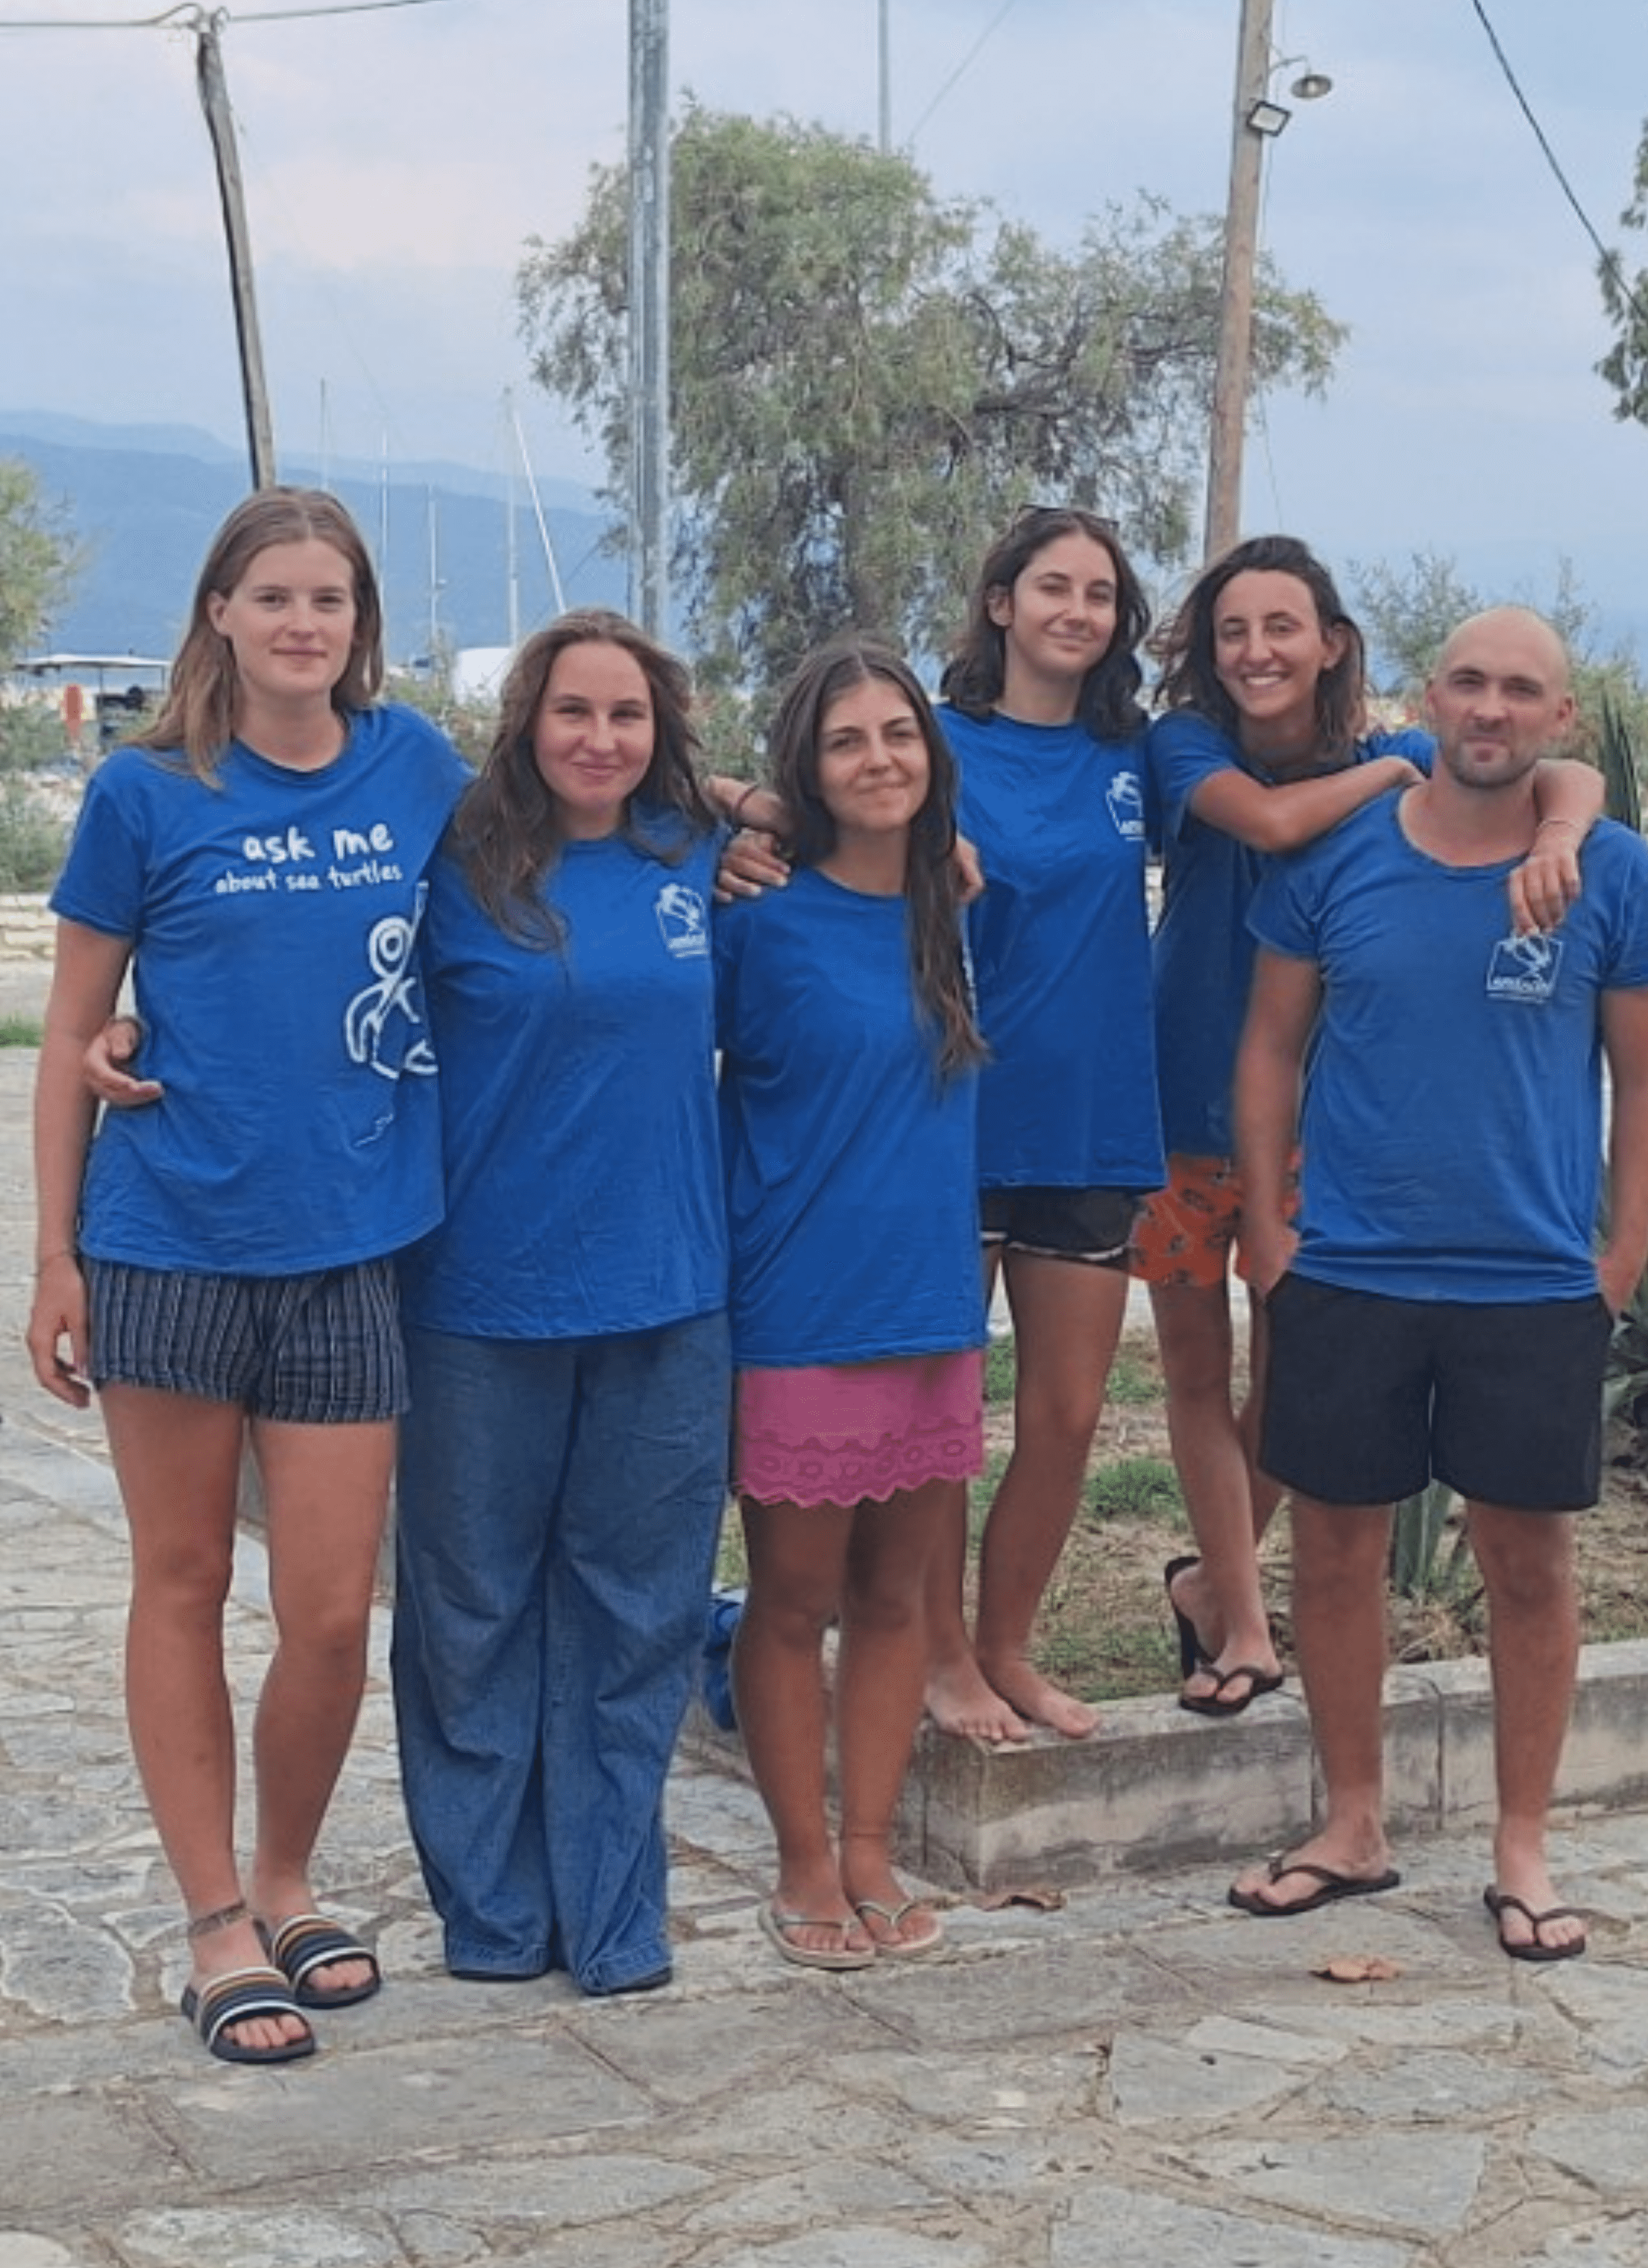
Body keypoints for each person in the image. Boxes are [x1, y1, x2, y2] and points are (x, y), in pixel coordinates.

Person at [26, 486, 468, 2065]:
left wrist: (760, 832)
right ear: (219, 613)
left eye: (330, 601)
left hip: (351, 1253)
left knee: (336, 1610)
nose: (302, 625)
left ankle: (287, 1876)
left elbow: (578, 820)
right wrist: (54, 1255)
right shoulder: (144, 796)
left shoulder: (414, 767)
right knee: (184, 1580)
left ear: (360, 627)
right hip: (168, 1245)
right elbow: (76, 1037)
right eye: (273, 597)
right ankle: (216, 1913)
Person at [1223, 606, 1648, 1964]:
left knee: (1528, 1564)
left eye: (1521, 691)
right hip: (1350, 1266)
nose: (1490, 709)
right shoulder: (1339, 858)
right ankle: (1351, 1823)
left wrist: (1620, 1262)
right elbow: (1267, 1047)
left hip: (1532, 1279)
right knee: (1336, 1547)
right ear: (1433, 700)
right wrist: (1266, 1230)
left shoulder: (1612, 871)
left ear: (1560, 721)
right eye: (1470, 683)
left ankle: (1523, 1846)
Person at [1135, 539, 1601, 1717]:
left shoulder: (1394, 748)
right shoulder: (1187, 746)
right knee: (1196, 1371)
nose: (1257, 653)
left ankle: (1209, 1589)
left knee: (1297, 1387)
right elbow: (1276, 824)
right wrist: (1393, 779)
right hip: (1171, 1117)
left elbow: (1569, 781)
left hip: (1317, 1128)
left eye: (1282, 627)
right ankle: (1242, 1620)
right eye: (1233, 631)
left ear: (1331, 641)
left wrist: (1554, 841)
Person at [387, 610, 733, 1999]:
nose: (601, 739)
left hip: (667, 1293)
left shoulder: (707, 858)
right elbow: (315, 988)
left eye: (629, 717)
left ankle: (614, 1913)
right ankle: (492, 1914)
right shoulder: (452, 866)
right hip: (477, 1297)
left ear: (663, 736)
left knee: (637, 1613)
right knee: (469, 1614)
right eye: (575, 712)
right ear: (529, 720)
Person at [717, 637, 990, 1970]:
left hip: (934, 1307)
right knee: (791, 1600)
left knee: (899, 1601)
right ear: (805, 773)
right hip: (797, 1309)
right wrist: (728, 815)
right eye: (845, 741)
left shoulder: (952, 906)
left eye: (898, 734)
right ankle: (804, 1862)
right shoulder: (753, 916)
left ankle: (873, 1849)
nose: (877, 759)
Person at [925, 504, 1162, 1748]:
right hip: (950, 1125)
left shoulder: (1142, 758)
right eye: (1054, 587)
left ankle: (1009, 1644)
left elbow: (1280, 799)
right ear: (1002, 602)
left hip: (1092, 1123)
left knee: (1066, 1416)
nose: (1079, 611)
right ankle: (939, 1655)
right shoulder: (934, 745)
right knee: (939, 1418)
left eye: (1102, 594)